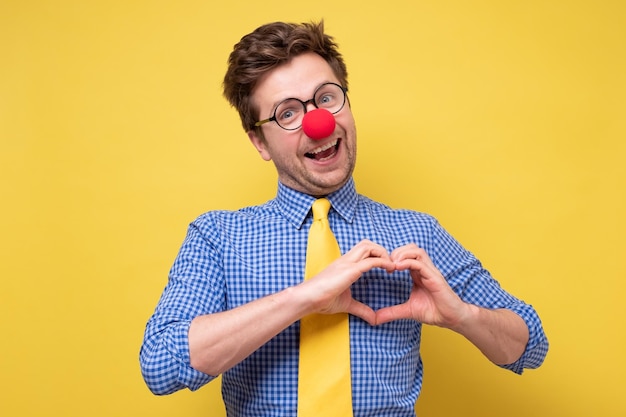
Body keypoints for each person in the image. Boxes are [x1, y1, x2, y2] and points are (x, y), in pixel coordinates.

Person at [140, 20, 548, 416]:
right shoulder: (218, 236)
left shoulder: (416, 232)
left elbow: (530, 346)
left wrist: (463, 315)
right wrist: (304, 298)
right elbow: (160, 365)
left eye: (327, 97)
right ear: (260, 141)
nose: (320, 122)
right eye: (287, 113)